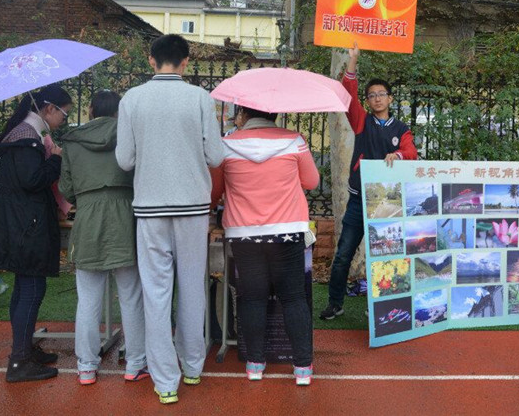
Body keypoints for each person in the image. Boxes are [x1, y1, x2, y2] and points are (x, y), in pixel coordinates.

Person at [116, 34, 224, 405]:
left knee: (155, 292)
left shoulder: (132, 99)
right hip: (193, 205)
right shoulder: (200, 98)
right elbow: (216, 156)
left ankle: (165, 381)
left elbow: (125, 160)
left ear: (151, 60)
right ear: (186, 62)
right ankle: (192, 366)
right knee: (192, 286)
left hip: (150, 206)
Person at [210, 105, 319, 386]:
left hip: (244, 232)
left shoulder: (225, 145)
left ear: (244, 116)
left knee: (252, 297)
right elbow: (311, 181)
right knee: (293, 297)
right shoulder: (294, 140)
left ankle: (255, 364)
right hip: (287, 229)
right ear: (274, 115)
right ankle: (302, 368)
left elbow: (215, 191)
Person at [320, 43, 417, 321]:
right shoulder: (361, 121)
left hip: (387, 204)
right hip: (358, 200)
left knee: (385, 257)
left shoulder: (401, 129)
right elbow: (348, 92)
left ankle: (381, 307)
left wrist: (398, 154)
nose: (376, 99)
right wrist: (352, 60)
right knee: (343, 255)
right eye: (371, 95)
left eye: (381, 94)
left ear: (390, 98)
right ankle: (335, 303)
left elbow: (412, 153)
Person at [59, 90, 147, 386]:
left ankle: (86, 366)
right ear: (119, 111)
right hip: (125, 214)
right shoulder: (130, 134)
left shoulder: (72, 141)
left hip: (88, 216)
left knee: (88, 297)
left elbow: (67, 189)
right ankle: (135, 363)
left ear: (91, 109)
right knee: (131, 294)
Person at [0, 84, 72, 382]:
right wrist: (56, 158)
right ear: (49, 109)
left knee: (25, 288)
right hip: (27, 226)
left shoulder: (25, 135)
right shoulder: (26, 138)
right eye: (64, 113)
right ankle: (20, 360)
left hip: (21, 223)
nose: (64, 119)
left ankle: (23, 351)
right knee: (31, 289)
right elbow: (33, 180)